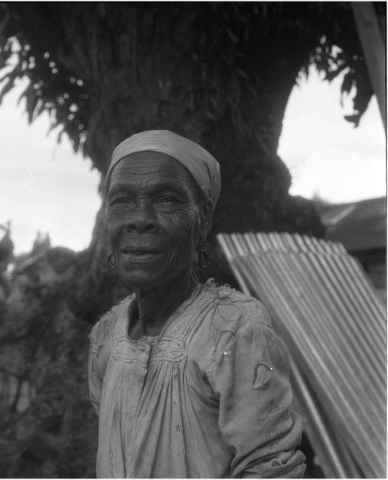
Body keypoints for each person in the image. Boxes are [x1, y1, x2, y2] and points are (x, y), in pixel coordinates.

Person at [88, 130, 306, 478]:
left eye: (167, 200)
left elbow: (269, 468)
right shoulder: (105, 338)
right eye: (122, 201)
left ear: (203, 217)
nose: (139, 218)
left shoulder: (235, 332)